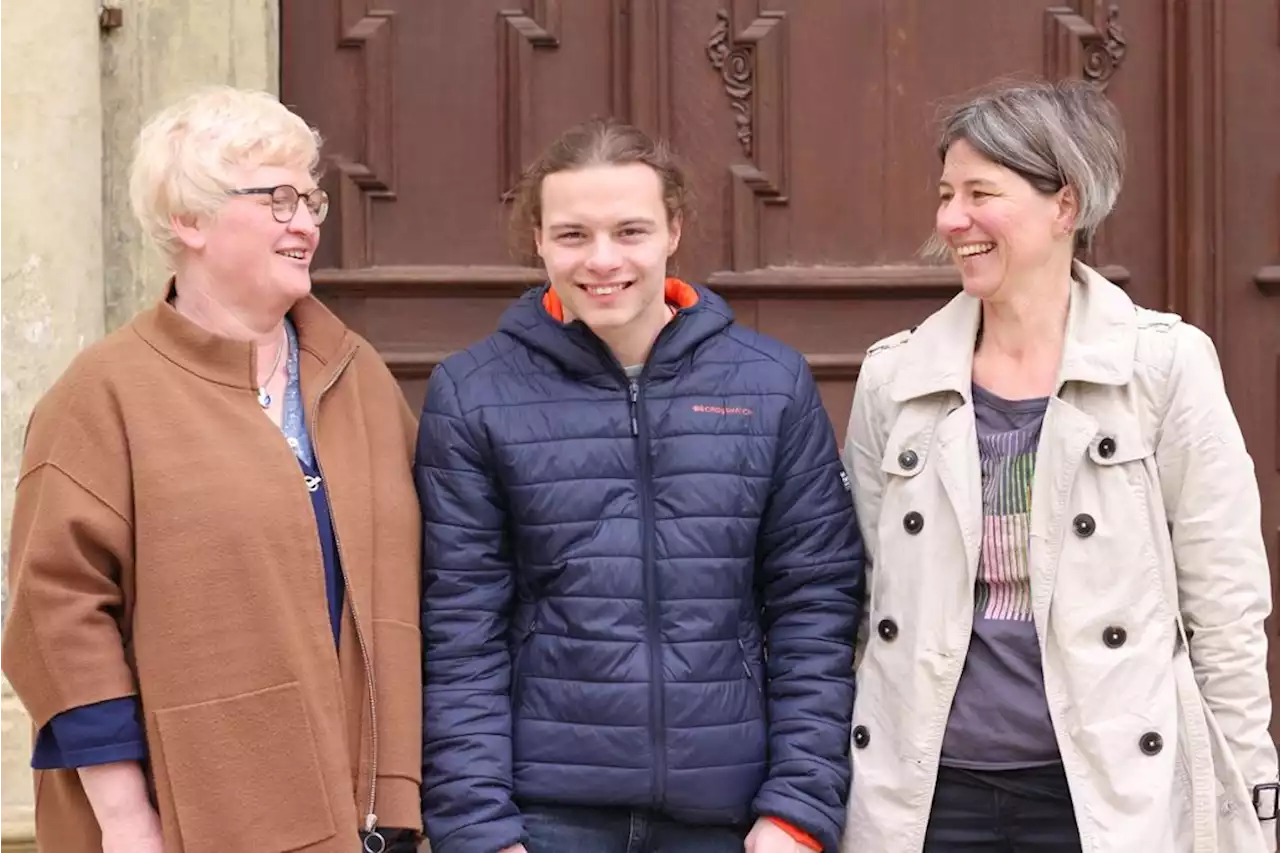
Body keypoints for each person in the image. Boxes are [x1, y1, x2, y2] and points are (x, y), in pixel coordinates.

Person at [841, 79, 1279, 853]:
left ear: (1064, 206)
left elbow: (1226, 612)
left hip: (1104, 794)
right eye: (946, 193)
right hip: (928, 793)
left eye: (981, 192)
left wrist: (1249, 801)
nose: (951, 219)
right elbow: (861, 598)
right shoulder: (896, 379)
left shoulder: (1162, 367)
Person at [415, 117, 864, 853]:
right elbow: (460, 628)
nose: (602, 260)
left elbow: (813, 603)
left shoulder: (770, 383)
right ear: (538, 239)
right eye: (571, 235)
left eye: (630, 231)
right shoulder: (473, 394)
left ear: (673, 230)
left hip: (731, 815)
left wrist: (798, 807)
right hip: (543, 817)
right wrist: (478, 828)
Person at [0, 87, 423, 853]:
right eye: (278, 198)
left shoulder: (356, 376)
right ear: (187, 220)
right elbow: (56, 619)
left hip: (375, 822)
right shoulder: (103, 394)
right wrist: (126, 821)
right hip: (196, 822)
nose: (306, 222)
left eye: (312, 199)